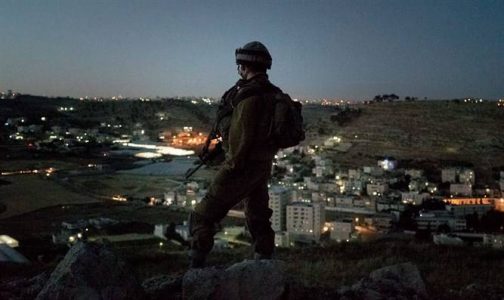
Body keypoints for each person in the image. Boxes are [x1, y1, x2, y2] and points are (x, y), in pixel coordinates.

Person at [188, 41, 282, 268]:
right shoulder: (273, 94)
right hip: (261, 165)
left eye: (239, 64)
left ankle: (196, 269)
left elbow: (242, 140)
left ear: (244, 66)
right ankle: (264, 262)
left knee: (202, 215)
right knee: (258, 215)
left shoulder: (249, 97)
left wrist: (229, 167)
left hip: (243, 166)